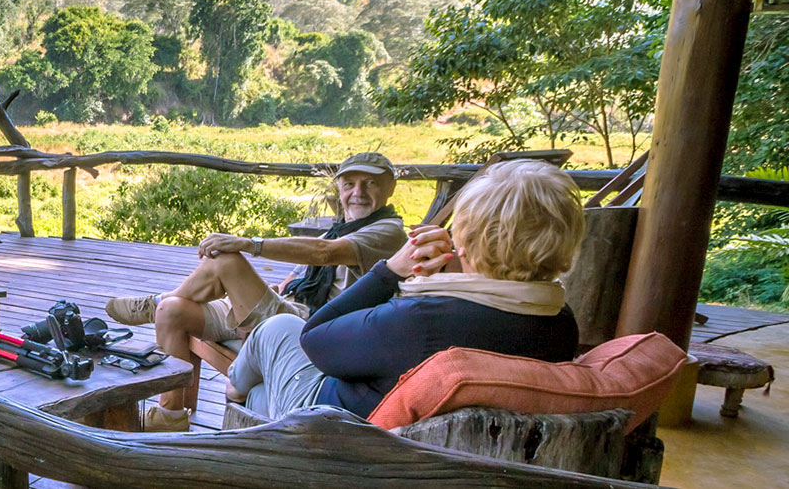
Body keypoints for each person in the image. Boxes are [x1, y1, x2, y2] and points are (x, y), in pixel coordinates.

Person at [226, 159, 582, 420]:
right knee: (258, 395)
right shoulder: (561, 323)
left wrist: (390, 271)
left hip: (334, 424)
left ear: (469, 240)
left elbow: (314, 336)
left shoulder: (422, 320)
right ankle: (243, 395)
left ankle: (233, 390)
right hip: (412, 433)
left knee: (276, 330)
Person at [102, 152, 409, 431]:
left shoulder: (388, 231)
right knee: (173, 312)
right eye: (350, 184)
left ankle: (155, 301)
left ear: (390, 189)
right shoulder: (341, 226)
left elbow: (323, 253)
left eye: (370, 184)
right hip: (288, 306)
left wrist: (250, 243)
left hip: (304, 330)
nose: (358, 193)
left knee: (227, 260)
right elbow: (306, 272)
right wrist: (280, 286)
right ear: (340, 188)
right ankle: (169, 417)